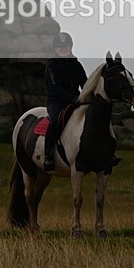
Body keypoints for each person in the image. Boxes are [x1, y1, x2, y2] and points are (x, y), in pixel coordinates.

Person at [43, 32, 87, 172]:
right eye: (60, 47)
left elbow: (84, 83)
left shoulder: (77, 65)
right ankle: (48, 155)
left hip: (76, 101)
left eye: (66, 46)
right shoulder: (51, 66)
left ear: (70, 47)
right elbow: (55, 88)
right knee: (54, 121)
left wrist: (88, 95)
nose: (63, 49)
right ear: (55, 49)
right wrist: (72, 98)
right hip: (57, 102)